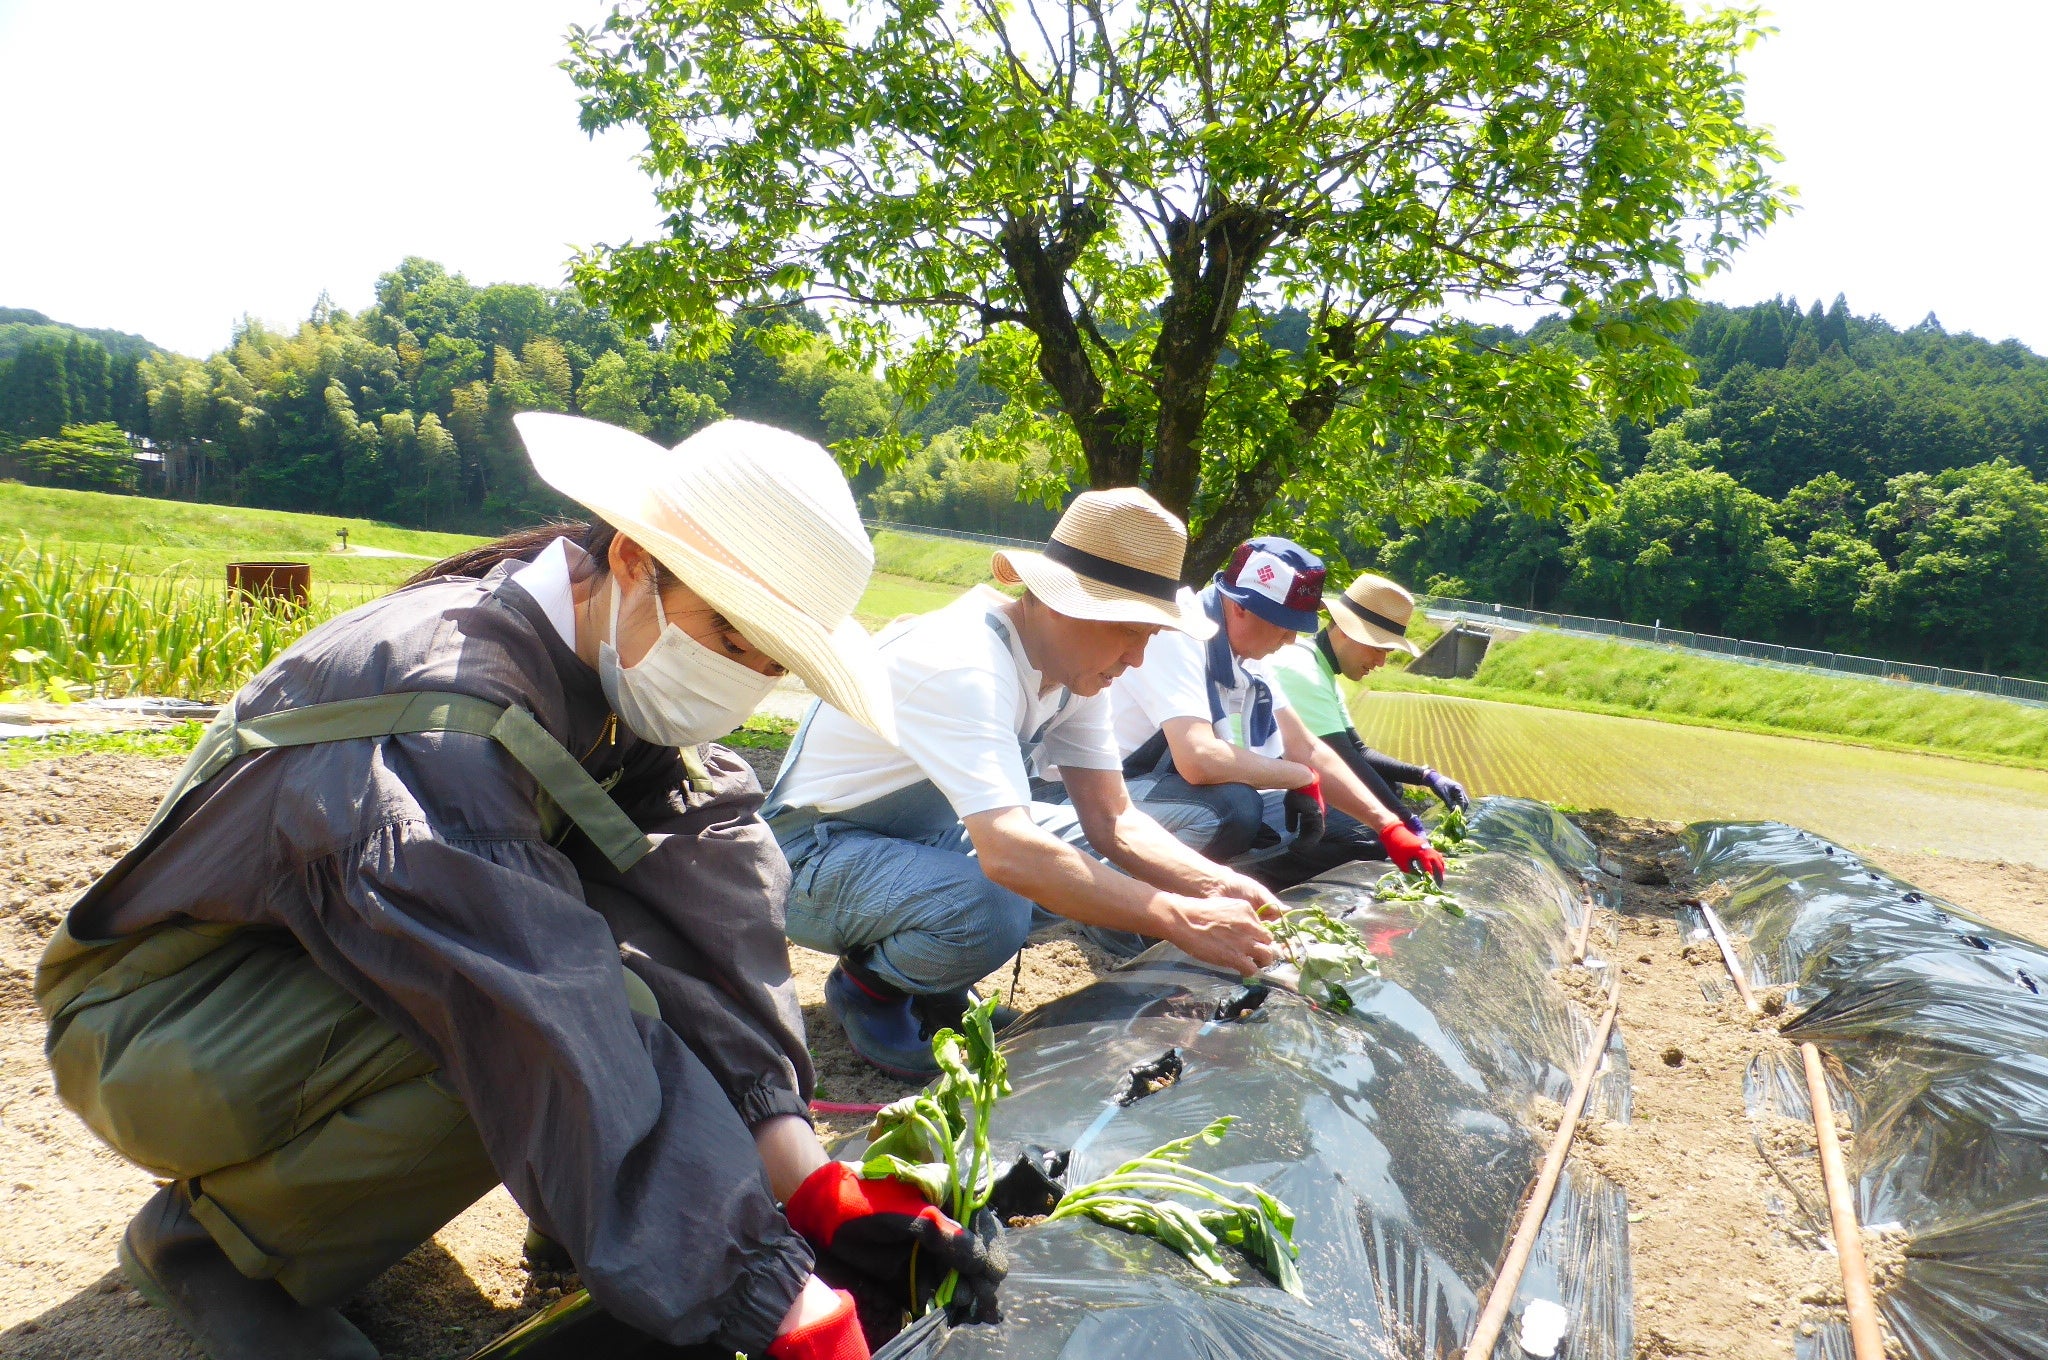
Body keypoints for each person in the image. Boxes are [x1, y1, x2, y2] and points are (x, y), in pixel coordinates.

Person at [35, 414, 994, 1360]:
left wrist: (808, 1183)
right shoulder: (440, 720)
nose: (741, 677)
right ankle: (226, 1251)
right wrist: (771, 1300)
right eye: (729, 636)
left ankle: (570, 1215)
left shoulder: (613, 673)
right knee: (530, 1027)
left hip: (299, 987)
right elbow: (532, 998)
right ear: (630, 561)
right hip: (155, 1025)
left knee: (622, 978)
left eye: (770, 661)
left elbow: (710, 925)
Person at [768, 488, 1283, 1080]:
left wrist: (1224, 886)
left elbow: (1114, 821)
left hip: (918, 839)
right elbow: (1010, 853)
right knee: (993, 902)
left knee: (1102, 851)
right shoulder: (964, 663)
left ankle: (935, 982)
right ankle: (870, 989)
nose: (1138, 659)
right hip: (808, 856)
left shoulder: (1071, 671)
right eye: (1132, 633)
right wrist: (1177, 916)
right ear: (1068, 605)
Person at [1103, 536, 1448, 891]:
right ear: (1241, 607)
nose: (1290, 640)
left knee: (1353, 829)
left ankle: (1226, 885)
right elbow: (1200, 758)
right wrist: (1299, 777)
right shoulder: (1177, 632)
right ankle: (1125, 907)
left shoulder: (1248, 655)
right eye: (1285, 626)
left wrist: (1388, 825)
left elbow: (1306, 748)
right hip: (1106, 794)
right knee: (1234, 809)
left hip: (1172, 794)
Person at [1264, 571, 1470, 834]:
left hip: (1286, 789)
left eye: (1387, 652)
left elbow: (1358, 750)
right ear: (1347, 630)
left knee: (1389, 788)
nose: (1381, 663)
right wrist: (1406, 825)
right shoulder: (1302, 670)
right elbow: (1345, 760)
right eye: (1378, 648)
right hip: (1260, 799)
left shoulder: (1319, 667)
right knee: (1371, 834)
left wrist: (1426, 776)